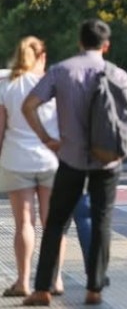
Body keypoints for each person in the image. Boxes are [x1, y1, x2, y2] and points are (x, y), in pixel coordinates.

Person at [21, 19, 127, 306]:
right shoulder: (118, 74)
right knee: (101, 221)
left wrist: (47, 139)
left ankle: (42, 289)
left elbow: (29, 106)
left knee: (55, 222)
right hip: (107, 161)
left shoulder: (60, 71)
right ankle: (94, 288)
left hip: (70, 159)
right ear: (106, 46)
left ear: (80, 42)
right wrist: (121, 151)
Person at [0, 37, 68, 298]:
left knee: (24, 223)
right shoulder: (51, 83)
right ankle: (55, 279)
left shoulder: (7, 85)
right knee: (53, 223)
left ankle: (23, 282)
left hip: (16, 159)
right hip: (51, 158)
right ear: (42, 56)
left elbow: (1, 129)